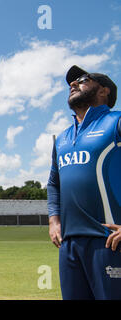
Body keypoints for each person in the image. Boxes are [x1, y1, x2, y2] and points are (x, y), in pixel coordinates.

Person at [47, 65, 121, 299]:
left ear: (104, 91)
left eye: (82, 79)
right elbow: (53, 184)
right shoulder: (62, 138)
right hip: (68, 246)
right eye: (71, 82)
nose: (73, 84)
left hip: (109, 243)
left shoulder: (116, 122)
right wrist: (54, 220)